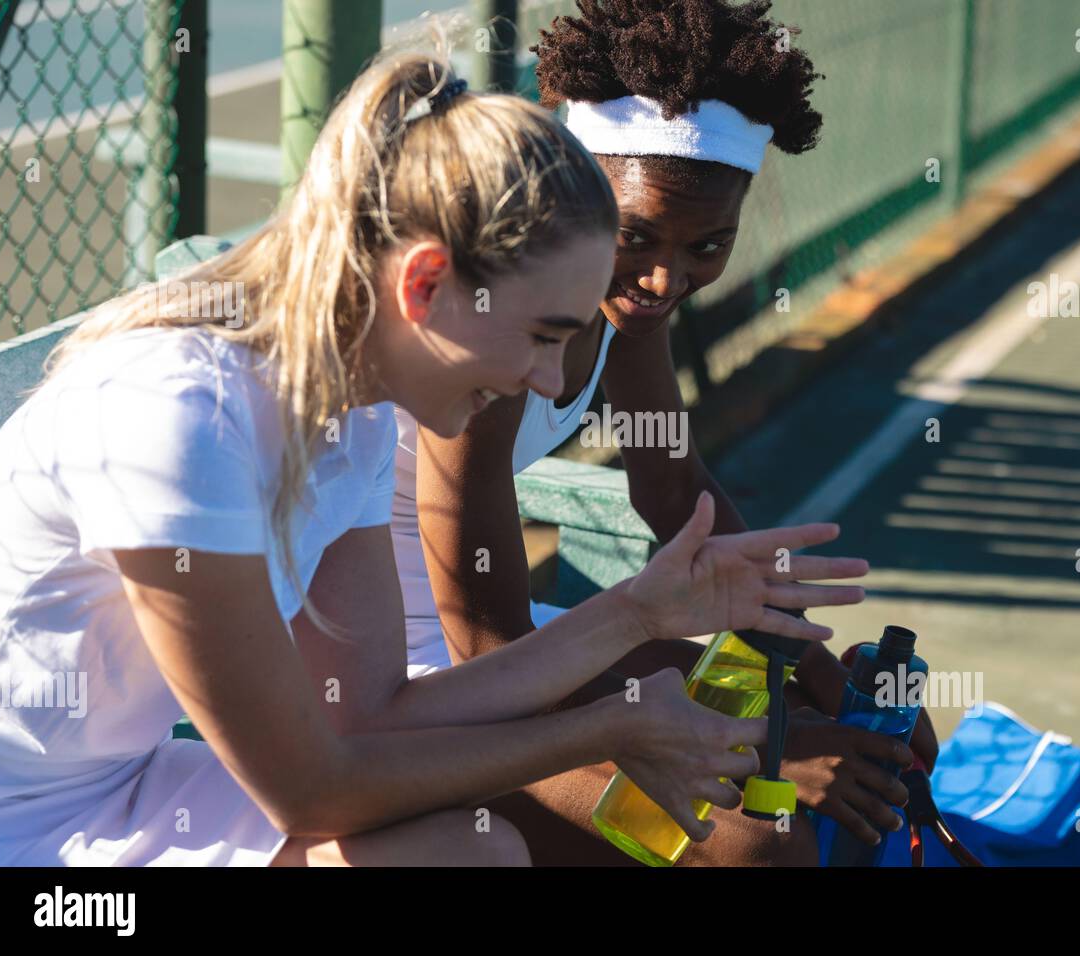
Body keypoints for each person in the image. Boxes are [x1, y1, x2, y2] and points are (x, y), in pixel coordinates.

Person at [0, 44, 866, 866]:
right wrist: (609, 728)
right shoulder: (182, 417)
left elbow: (373, 716)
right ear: (424, 285)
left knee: (476, 851)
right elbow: (312, 793)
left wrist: (637, 613)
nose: (554, 384)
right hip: (22, 843)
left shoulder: (361, 418)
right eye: (542, 336)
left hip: (125, 789)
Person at [391, 0, 935, 865]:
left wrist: (815, 676)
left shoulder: (618, 308)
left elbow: (674, 492)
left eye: (708, 246)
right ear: (571, 190)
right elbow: (480, 643)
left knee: (842, 759)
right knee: (761, 846)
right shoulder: (490, 330)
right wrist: (765, 744)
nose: (663, 277)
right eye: (636, 234)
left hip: (515, 656)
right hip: (418, 684)